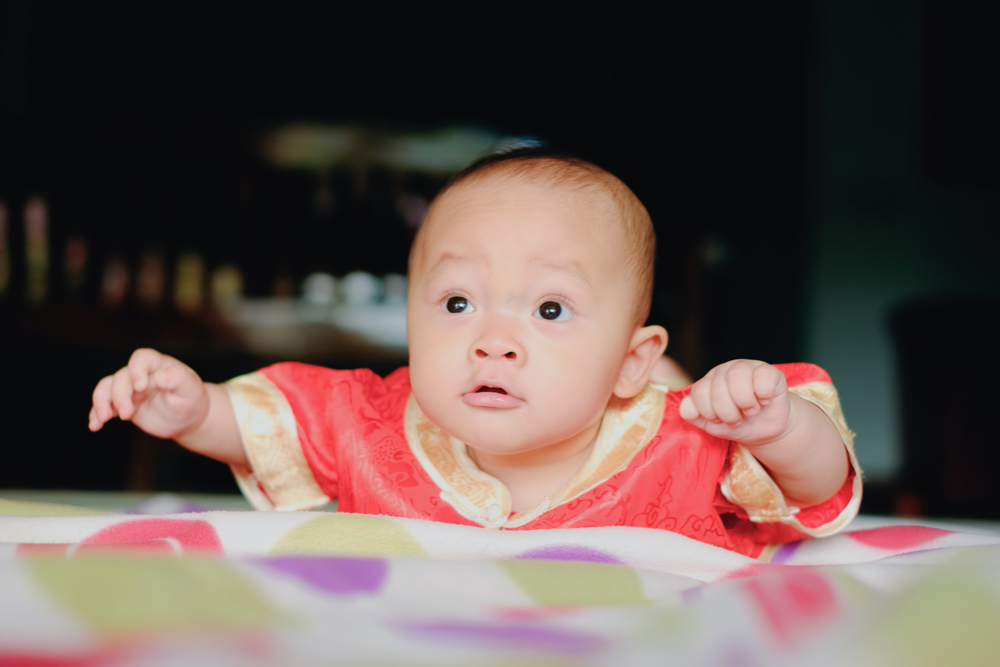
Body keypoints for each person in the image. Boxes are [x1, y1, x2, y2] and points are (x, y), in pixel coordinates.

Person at [89, 150, 860, 558]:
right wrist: (194, 407)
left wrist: (777, 425)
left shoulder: (682, 435)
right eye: (457, 303)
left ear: (632, 360)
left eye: (550, 309)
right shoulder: (379, 418)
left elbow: (817, 483)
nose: (492, 339)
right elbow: (273, 422)